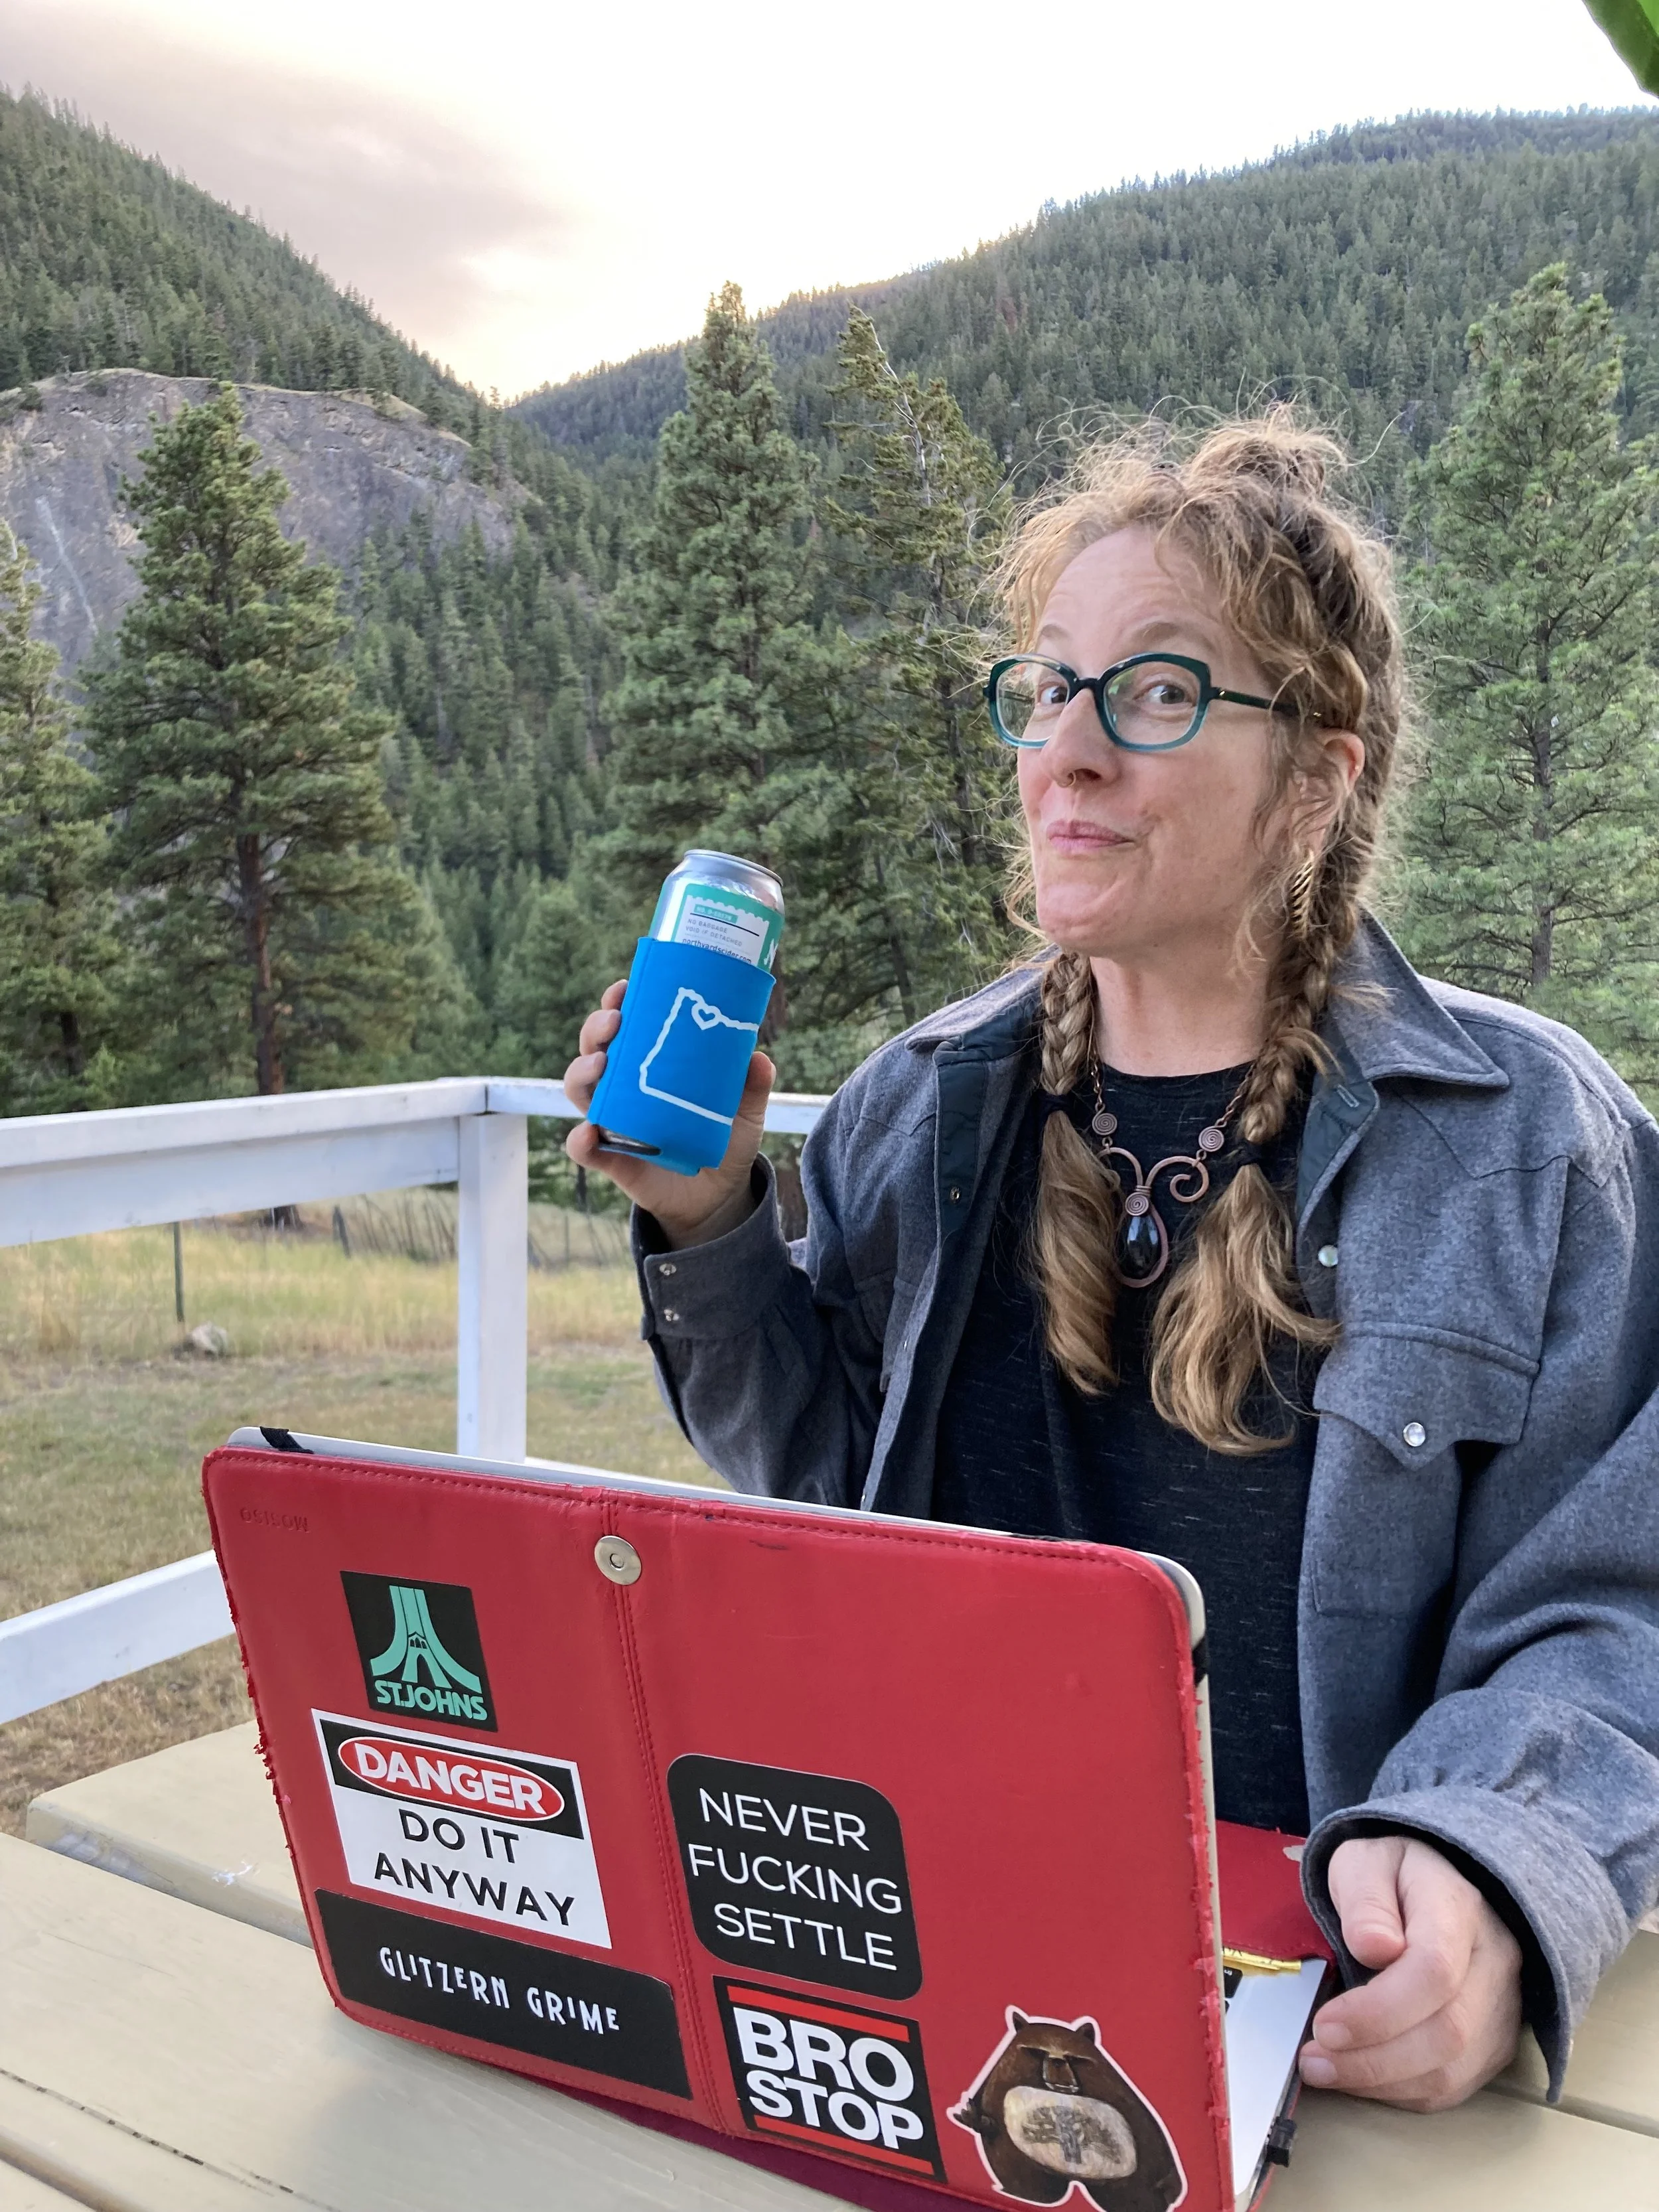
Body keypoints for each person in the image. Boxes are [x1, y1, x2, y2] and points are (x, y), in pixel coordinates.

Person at [563, 416, 1659, 2114]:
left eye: (1151, 695)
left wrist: (1491, 1863)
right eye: (1046, 688)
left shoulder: (1527, 1141)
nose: (1062, 753)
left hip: (1319, 2011)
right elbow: (822, 1482)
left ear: (1316, 775)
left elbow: (1618, 1604)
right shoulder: (920, 1105)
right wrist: (709, 1221)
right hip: (939, 1956)